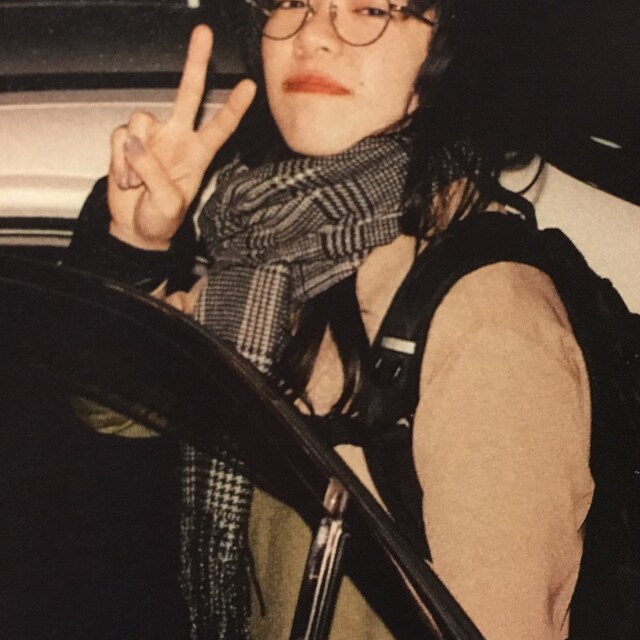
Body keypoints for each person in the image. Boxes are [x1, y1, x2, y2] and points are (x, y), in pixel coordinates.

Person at [65, 1, 593, 638]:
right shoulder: (275, 240)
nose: (313, 34)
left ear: (453, 48)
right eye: (294, 1)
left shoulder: (485, 315)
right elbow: (115, 410)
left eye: (369, 7)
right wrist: (135, 245)